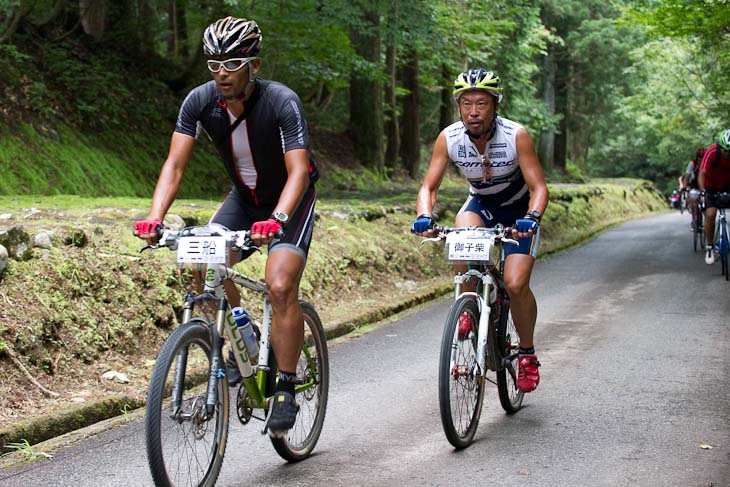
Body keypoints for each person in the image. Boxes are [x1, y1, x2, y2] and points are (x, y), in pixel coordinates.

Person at [134, 16, 318, 436]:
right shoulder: (199, 102)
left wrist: (278, 220)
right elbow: (175, 164)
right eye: (214, 63)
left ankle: (286, 386)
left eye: (232, 62)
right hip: (244, 201)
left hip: (290, 202)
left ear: (253, 64)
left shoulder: (281, 101)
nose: (221, 73)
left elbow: (298, 172)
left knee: (280, 284)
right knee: (199, 267)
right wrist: (155, 218)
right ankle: (242, 325)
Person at [411, 68, 549, 393]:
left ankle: (526, 352)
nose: (474, 112)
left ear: (495, 106)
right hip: (481, 206)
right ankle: (469, 307)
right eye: (467, 104)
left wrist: (532, 216)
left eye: (482, 104)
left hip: (519, 211)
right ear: (458, 107)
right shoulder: (449, 138)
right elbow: (428, 187)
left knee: (515, 284)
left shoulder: (516, 136)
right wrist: (423, 215)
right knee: (462, 242)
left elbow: (539, 187)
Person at [699, 129, 730, 265]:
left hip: (728, 186)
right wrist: (703, 191)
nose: (727, 154)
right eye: (724, 150)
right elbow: (701, 173)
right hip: (711, 187)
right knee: (710, 214)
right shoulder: (712, 152)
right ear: (720, 146)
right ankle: (710, 247)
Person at [679, 147, 706, 224]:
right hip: (694, 186)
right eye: (700, 158)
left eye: (703, 158)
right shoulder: (692, 163)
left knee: (706, 201)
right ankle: (694, 218)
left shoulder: (708, 164)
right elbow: (687, 177)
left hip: (705, 186)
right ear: (697, 158)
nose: (701, 160)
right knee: (693, 199)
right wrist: (684, 187)